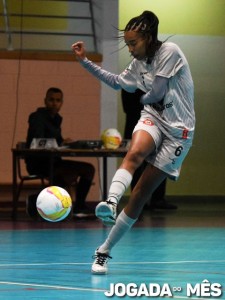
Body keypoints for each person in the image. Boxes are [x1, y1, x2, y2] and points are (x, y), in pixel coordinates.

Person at [72, 10, 195, 274]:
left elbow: (159, 91)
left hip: (179, 132)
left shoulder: (169, 51)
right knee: (135, 153)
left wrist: (142, 99)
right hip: (154, 118)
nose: (129, 49)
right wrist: (85, 63)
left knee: (140, 194)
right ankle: (111, 202)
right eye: (127, 43)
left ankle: (104, 250)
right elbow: (117, 82)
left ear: (148, 38)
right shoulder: (138, 62)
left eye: (133, 43)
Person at [25, 87, 95, 218]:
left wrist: (64, 143)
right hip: (39, 163)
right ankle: (37, 201)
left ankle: (79, 207)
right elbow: (39, 141)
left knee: (88, 169)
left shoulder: (57, 119)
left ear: (62, 102)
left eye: (58, 100)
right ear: (45, 101)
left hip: (55, 161)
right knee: (70, 174)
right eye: (51, 100)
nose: (54, 103)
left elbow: (56, 141)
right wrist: (59, 144)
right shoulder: (37, 117)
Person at [121, 88, 177, 210]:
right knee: (139, 164)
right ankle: (141, 199)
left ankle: (156, 199)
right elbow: (128, 107)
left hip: (153, 126)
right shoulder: (132, 81)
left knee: (159, 161)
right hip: (139, 125)